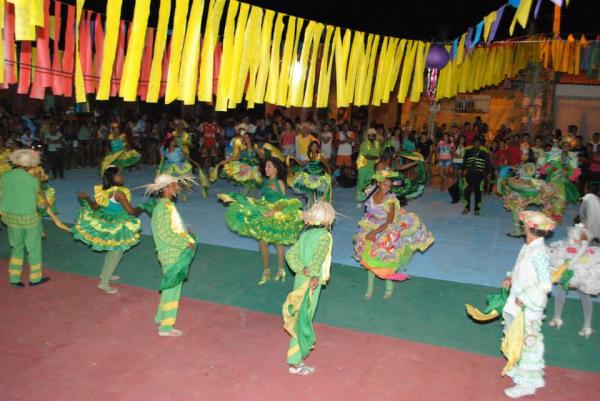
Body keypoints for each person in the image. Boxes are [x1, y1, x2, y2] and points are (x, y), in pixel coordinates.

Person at [218, 158, 303, 284]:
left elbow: (284, 202)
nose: (266, 169)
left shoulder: (279, 183)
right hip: (265, 214)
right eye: (266, 167)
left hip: (276, 216)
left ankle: (280, 270)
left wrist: (273, 211)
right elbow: (264, 197)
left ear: (275, 169)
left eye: (269, 167)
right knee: (262, 243)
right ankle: (266, 271)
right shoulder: (266, 181)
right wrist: (253, 203)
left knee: (278, 244)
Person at [354, 169, 434, 300]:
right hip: (370, 226)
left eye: (389, 186)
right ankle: (369, 288)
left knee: (384, 260)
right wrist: (367, 228)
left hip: (384, 230)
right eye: (385, 184)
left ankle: (389, 286)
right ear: (379, 183)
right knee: (368, 259)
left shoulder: (390, 200)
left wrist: (373, 233)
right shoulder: (370, 192)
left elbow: (389, 221)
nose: (387, 188)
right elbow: (367, 209)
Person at [501, 211, 555, 399]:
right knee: (515, 337)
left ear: (531, 228)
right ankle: (518, 370)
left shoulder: (539, 253)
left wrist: (524, 297)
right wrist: (510, 276)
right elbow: (522, 269)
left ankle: (527, 384)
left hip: (528, 306)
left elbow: (545, 284)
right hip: (518, 302)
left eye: (525, 224)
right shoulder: (529, 246)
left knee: (528, 343)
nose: (523, 226)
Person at [73, 166, 149, 294]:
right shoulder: (119, 193)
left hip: (108, 223)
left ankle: (105, 274)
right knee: (117, 252)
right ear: (113, 177)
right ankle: (104, 283)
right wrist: (142, 207)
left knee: (113, 250)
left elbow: (95, 207)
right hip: (117, 226)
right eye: (120, 174)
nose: (122, 177)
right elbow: (131, 212)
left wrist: (86, 197)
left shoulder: (104, 191)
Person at [283, 201, 335, 375]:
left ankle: (295, 359)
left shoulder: (306, 235)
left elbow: (290, 255)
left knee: (299, 315)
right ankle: (295, 362)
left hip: (300, 280)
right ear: (328, 221)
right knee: (304, 320)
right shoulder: (325, 236)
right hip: (311, 283)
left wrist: (301, 269)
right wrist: (313, 275)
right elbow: (318, 258)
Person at [144, 174, 197, 337]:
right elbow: (165, 233)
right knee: (172, 290)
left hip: (171, 252)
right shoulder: (163, 208)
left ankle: (160, 316)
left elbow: (172, 228)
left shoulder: (165, 206)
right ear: (166, 188)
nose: (178, 188)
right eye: (175, 185)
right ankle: (166, 327)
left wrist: (184, 233)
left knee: (169, 287)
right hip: (171, 254)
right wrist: (185, 243)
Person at [548, 194, 600, 338]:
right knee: (563, 289)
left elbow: (583, 248)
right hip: (572, 256)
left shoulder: (586, 228)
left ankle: (585, 325)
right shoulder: (584, 224)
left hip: (579, 262)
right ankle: (559, 317)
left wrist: (571, 263)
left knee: (582, 293)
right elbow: (574, 242)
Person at [0, 149, 50, 287]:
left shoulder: (5, 176)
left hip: (11, 218)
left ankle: (14, 278)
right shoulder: (32, 180)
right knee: (33, 248)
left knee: (16, 247)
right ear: (29, 165)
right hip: (29, 218)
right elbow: (38, 200)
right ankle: (35, 278)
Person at [159, 133, 203, 201]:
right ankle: (171, 196)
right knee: (172, 183)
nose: (175, 141)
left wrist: (194, 162)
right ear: (170, 142)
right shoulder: (166, 150)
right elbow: (162, 159)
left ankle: (182, 194)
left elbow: (185, 156)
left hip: (180, 167)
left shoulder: (178, 149)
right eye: (173, 140)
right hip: (171, 168)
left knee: (182, 182)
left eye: (175, 140)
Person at [462, 136, 492, 216]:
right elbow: (464, 161)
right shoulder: (468, 151)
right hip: (469, 173)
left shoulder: (484, 152)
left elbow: (488, 163)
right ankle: (467, 207)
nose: (477, 144)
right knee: (467, 190)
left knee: (478, 191)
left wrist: (488, 173)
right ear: (473, 143)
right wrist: (464, 170)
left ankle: (477, 208)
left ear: (480, 144)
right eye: (475, 142)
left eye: (478, 143)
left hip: (479, 174)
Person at [355, 128, 381, 205]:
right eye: (370, 135)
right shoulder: (364, 144)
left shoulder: (377, 144)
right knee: (361, 184)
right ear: (367, 136)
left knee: (370, 183)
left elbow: (378, 153)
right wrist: (377, 157)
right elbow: (367, 156)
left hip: (371, 166)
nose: (372, 136)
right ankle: (359, 200)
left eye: (374, 135)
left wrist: (378, 157)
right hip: (363, 166)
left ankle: (366, 198)